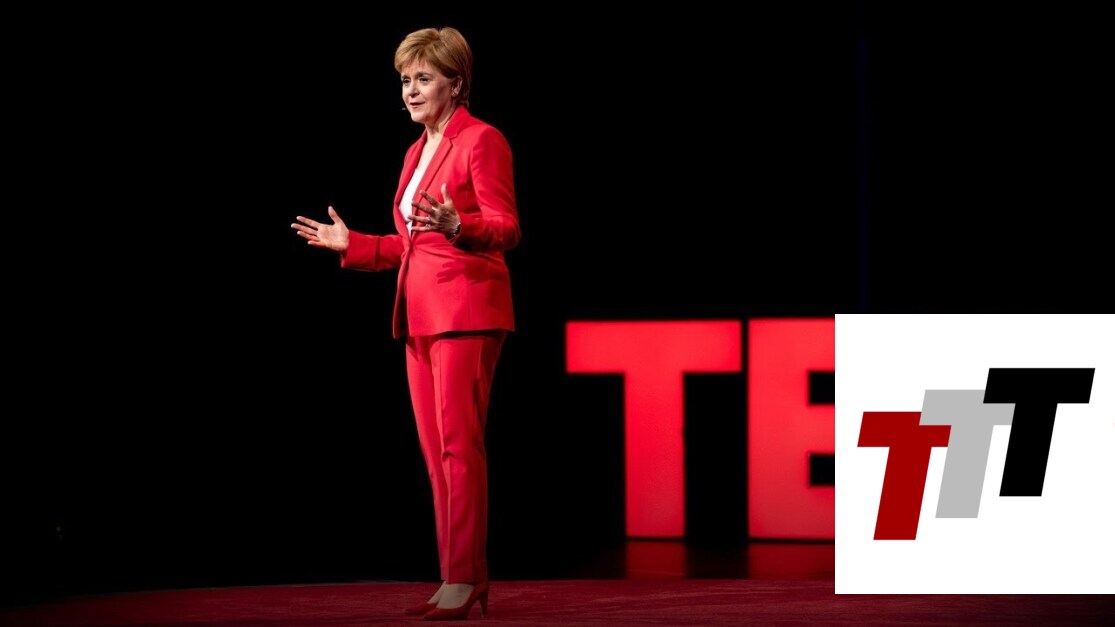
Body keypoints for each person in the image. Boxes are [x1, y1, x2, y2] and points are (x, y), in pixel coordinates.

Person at [290, 26, 519, 621]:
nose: (410, 91)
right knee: (434, 451)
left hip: (466, 311)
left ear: (456, 84)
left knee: (459, 447)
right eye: (404, 80)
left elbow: (506, 226)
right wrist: (354, 244)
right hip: (417, 315)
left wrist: (460, 226)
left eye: (422, 79)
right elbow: (410, 246)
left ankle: (465, 576)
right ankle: (457, 575)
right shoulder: (416, 153)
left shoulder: (481, 140)